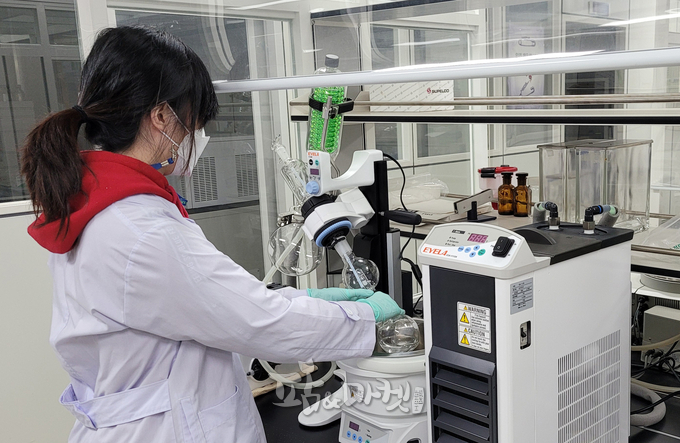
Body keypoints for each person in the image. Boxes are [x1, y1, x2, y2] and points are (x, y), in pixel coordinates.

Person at [20, 26, 404, 443]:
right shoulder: (142, 232)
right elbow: (259, 323)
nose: (198, 135)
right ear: (162, 117)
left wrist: (308, 299)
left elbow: (207, 306)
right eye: (195, 120)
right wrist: (367, 319)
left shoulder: (93, 203)